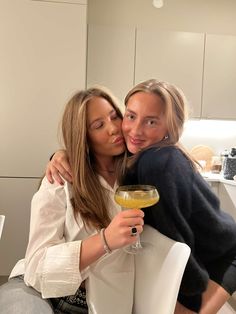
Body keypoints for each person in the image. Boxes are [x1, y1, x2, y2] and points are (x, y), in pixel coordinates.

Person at [46, 79, 236, 314]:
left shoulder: (158, 163)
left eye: (151, 121)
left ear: (169, 127)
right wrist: (61, 154)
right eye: (130, 116)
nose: (131, 130)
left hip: (220, 265)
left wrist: (187, 306)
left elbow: (177, 242)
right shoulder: (132, 158)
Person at [0, 87, 144, 314]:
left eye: (115, 116)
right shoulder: (61, 180)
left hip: (103, 303)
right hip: (41, 293)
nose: (113, 128)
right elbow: (36, 268)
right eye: (98, 125)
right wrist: (104, 240)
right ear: (83, 137)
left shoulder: (139, 175)